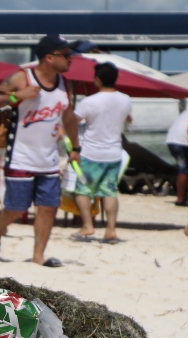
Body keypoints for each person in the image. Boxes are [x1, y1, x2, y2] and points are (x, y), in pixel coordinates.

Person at [0, 34, 80, 267]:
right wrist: (16, 95)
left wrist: (76, 147)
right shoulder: (21, 77)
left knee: (48, 209)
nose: (70, 60)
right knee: (16, 208)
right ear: (49, 57)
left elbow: (69, 118)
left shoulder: (65, 85)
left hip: (49, 160)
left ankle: (39, 256)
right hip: (20, 157)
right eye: (66, 55)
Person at [70, 62, 131, 243]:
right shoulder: (125, 99)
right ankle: (110, 229)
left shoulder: (89, 102)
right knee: (109, 192)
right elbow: (127, 117)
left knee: (82, 190)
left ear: (97, 79)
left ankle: (88, 225)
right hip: (114, 153)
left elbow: (72, 123)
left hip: (91, 153)